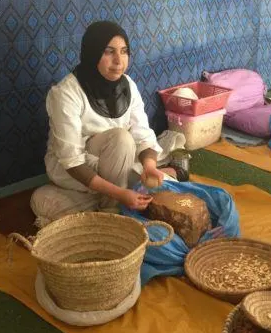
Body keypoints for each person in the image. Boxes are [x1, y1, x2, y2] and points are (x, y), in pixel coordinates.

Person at [37, 20, 177, 215]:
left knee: (156, 174)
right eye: (109, 52)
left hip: (118, 166)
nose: (119, 61)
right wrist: (120, 194)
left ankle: (107, 203)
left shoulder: (128, 85)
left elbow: (143, 135)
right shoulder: (67, 93)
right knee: (44, 204)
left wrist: (150, 166)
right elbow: (72, 161)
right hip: (77, 172)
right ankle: (113, 204)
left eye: (124, 51)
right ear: (92, 53)